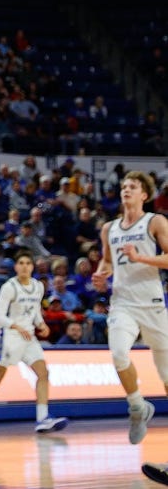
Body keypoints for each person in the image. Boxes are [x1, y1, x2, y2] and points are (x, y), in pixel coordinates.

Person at [93, 170, 168, 448]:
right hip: (122, 302)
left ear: (144, 195)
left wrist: (141, 258)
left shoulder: (155, 221)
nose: (126, 190)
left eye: (132, 186)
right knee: (119, 354)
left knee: (167, 375)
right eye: (124, 186)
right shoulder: (108, 229)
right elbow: (107, 261)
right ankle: (137, 406)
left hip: (152, 304)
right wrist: (102, 275)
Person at [0, 250, 68, 436]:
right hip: (10, 337)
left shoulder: (38, 286)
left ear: (32, 266)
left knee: (43, 373)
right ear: (15, 267)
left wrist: (41, 324)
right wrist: (15, 326)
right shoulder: (9, 287)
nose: (24, 266)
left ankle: (42, 418)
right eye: (20, 263)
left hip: (29, 337)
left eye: (27, 263)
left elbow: (35, 310)